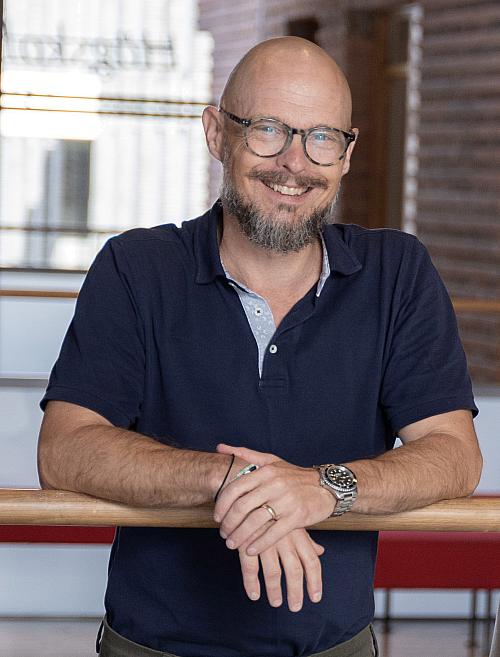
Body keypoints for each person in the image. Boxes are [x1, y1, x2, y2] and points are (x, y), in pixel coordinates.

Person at [37, 36, 482, 657]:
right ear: (217, 133)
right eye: (268, 129)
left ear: (347, 154)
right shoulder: (136, 267)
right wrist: (234, 479)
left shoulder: (398, 273)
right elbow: (63, 450)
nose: (295, 163)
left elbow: (455, 454)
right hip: (152, 647)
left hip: (336, 647)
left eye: (321, 136)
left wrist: (323, 487)